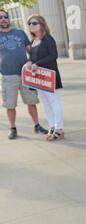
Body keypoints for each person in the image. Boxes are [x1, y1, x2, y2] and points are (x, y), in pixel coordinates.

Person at [0, 9, 47, 140]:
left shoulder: (20, 33)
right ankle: (13, 128)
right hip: (8, 76)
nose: (3, 19)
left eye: (5, 16)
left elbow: (30, 50)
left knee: (31, 101)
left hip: (25, 74)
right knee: (10, 105)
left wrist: (34, 61)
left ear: (9, 19)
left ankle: (37, 125)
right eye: (0, 17)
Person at [26, 14, 64, 141]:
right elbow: (33, 57)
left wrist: (37, 64)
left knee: (54, 101)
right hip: (39, 78)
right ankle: (52, 127)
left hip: (50, 76)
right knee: (46, 103)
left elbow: (53, 55)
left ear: (42, 24)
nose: (31, 25)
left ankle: (59, 129)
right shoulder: (33, 41)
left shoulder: (48, 39)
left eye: (34, 23)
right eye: (30, 24)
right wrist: (30, 62)